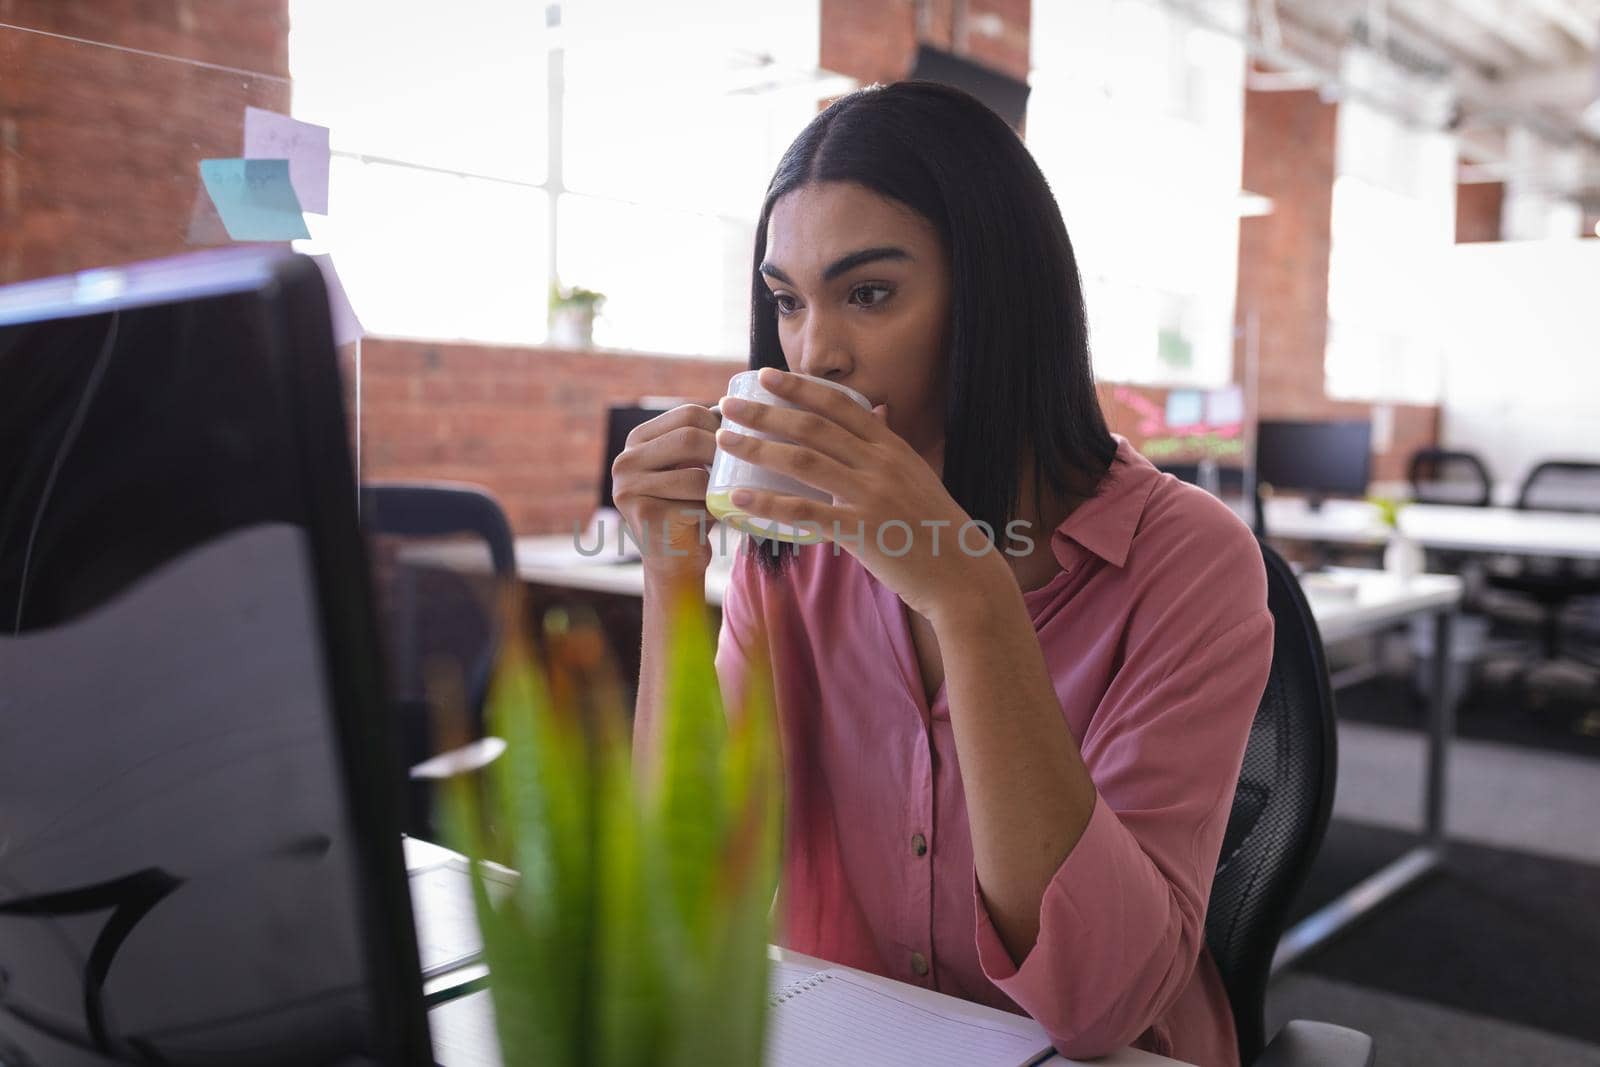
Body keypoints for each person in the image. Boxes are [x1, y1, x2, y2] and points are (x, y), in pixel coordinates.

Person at [612, 81, 1272, 1067]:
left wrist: (968, 596)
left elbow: (1098, 1007)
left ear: (995, 300)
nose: (812, 351)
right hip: (847, 1038)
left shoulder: (1189, 559)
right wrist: (670, 575)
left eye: (868, 293)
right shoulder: (791, 549)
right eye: (787, 300)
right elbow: (689, 896)